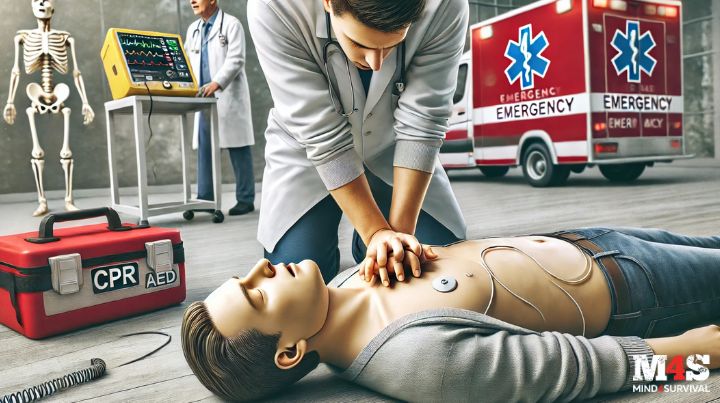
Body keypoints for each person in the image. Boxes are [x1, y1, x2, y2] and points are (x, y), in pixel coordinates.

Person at [181, 227, 720, 402]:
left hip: (592, 240)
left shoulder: (344, 282)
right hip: (642, 293)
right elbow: (587, 370)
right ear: (291, 350)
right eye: (255, 294)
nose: (259, 267)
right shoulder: (418, 359)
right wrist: (699, 360)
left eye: (243, 277)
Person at [247, 0, 469, 281]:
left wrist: (394, 242)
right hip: (308, 153)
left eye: (392, 46)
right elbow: (322, 135)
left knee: (443, 269)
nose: (376, 63)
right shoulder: (275, 6)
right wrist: (375, 231)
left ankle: (365, 240)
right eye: (359, 43)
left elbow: (423, 124)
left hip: (395, 146)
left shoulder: (446, 5)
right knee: (298, 283)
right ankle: (366, 227)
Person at [185, 0, 255, 216]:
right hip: (202, 100)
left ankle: (245, 199)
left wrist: (216, 83)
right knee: (205, 149)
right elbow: (187, 60)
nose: (192, 1)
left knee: (238, 148)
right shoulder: (193, 30)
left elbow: (236, 59)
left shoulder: (232, 24)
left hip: (227, 96)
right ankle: (205, 198)